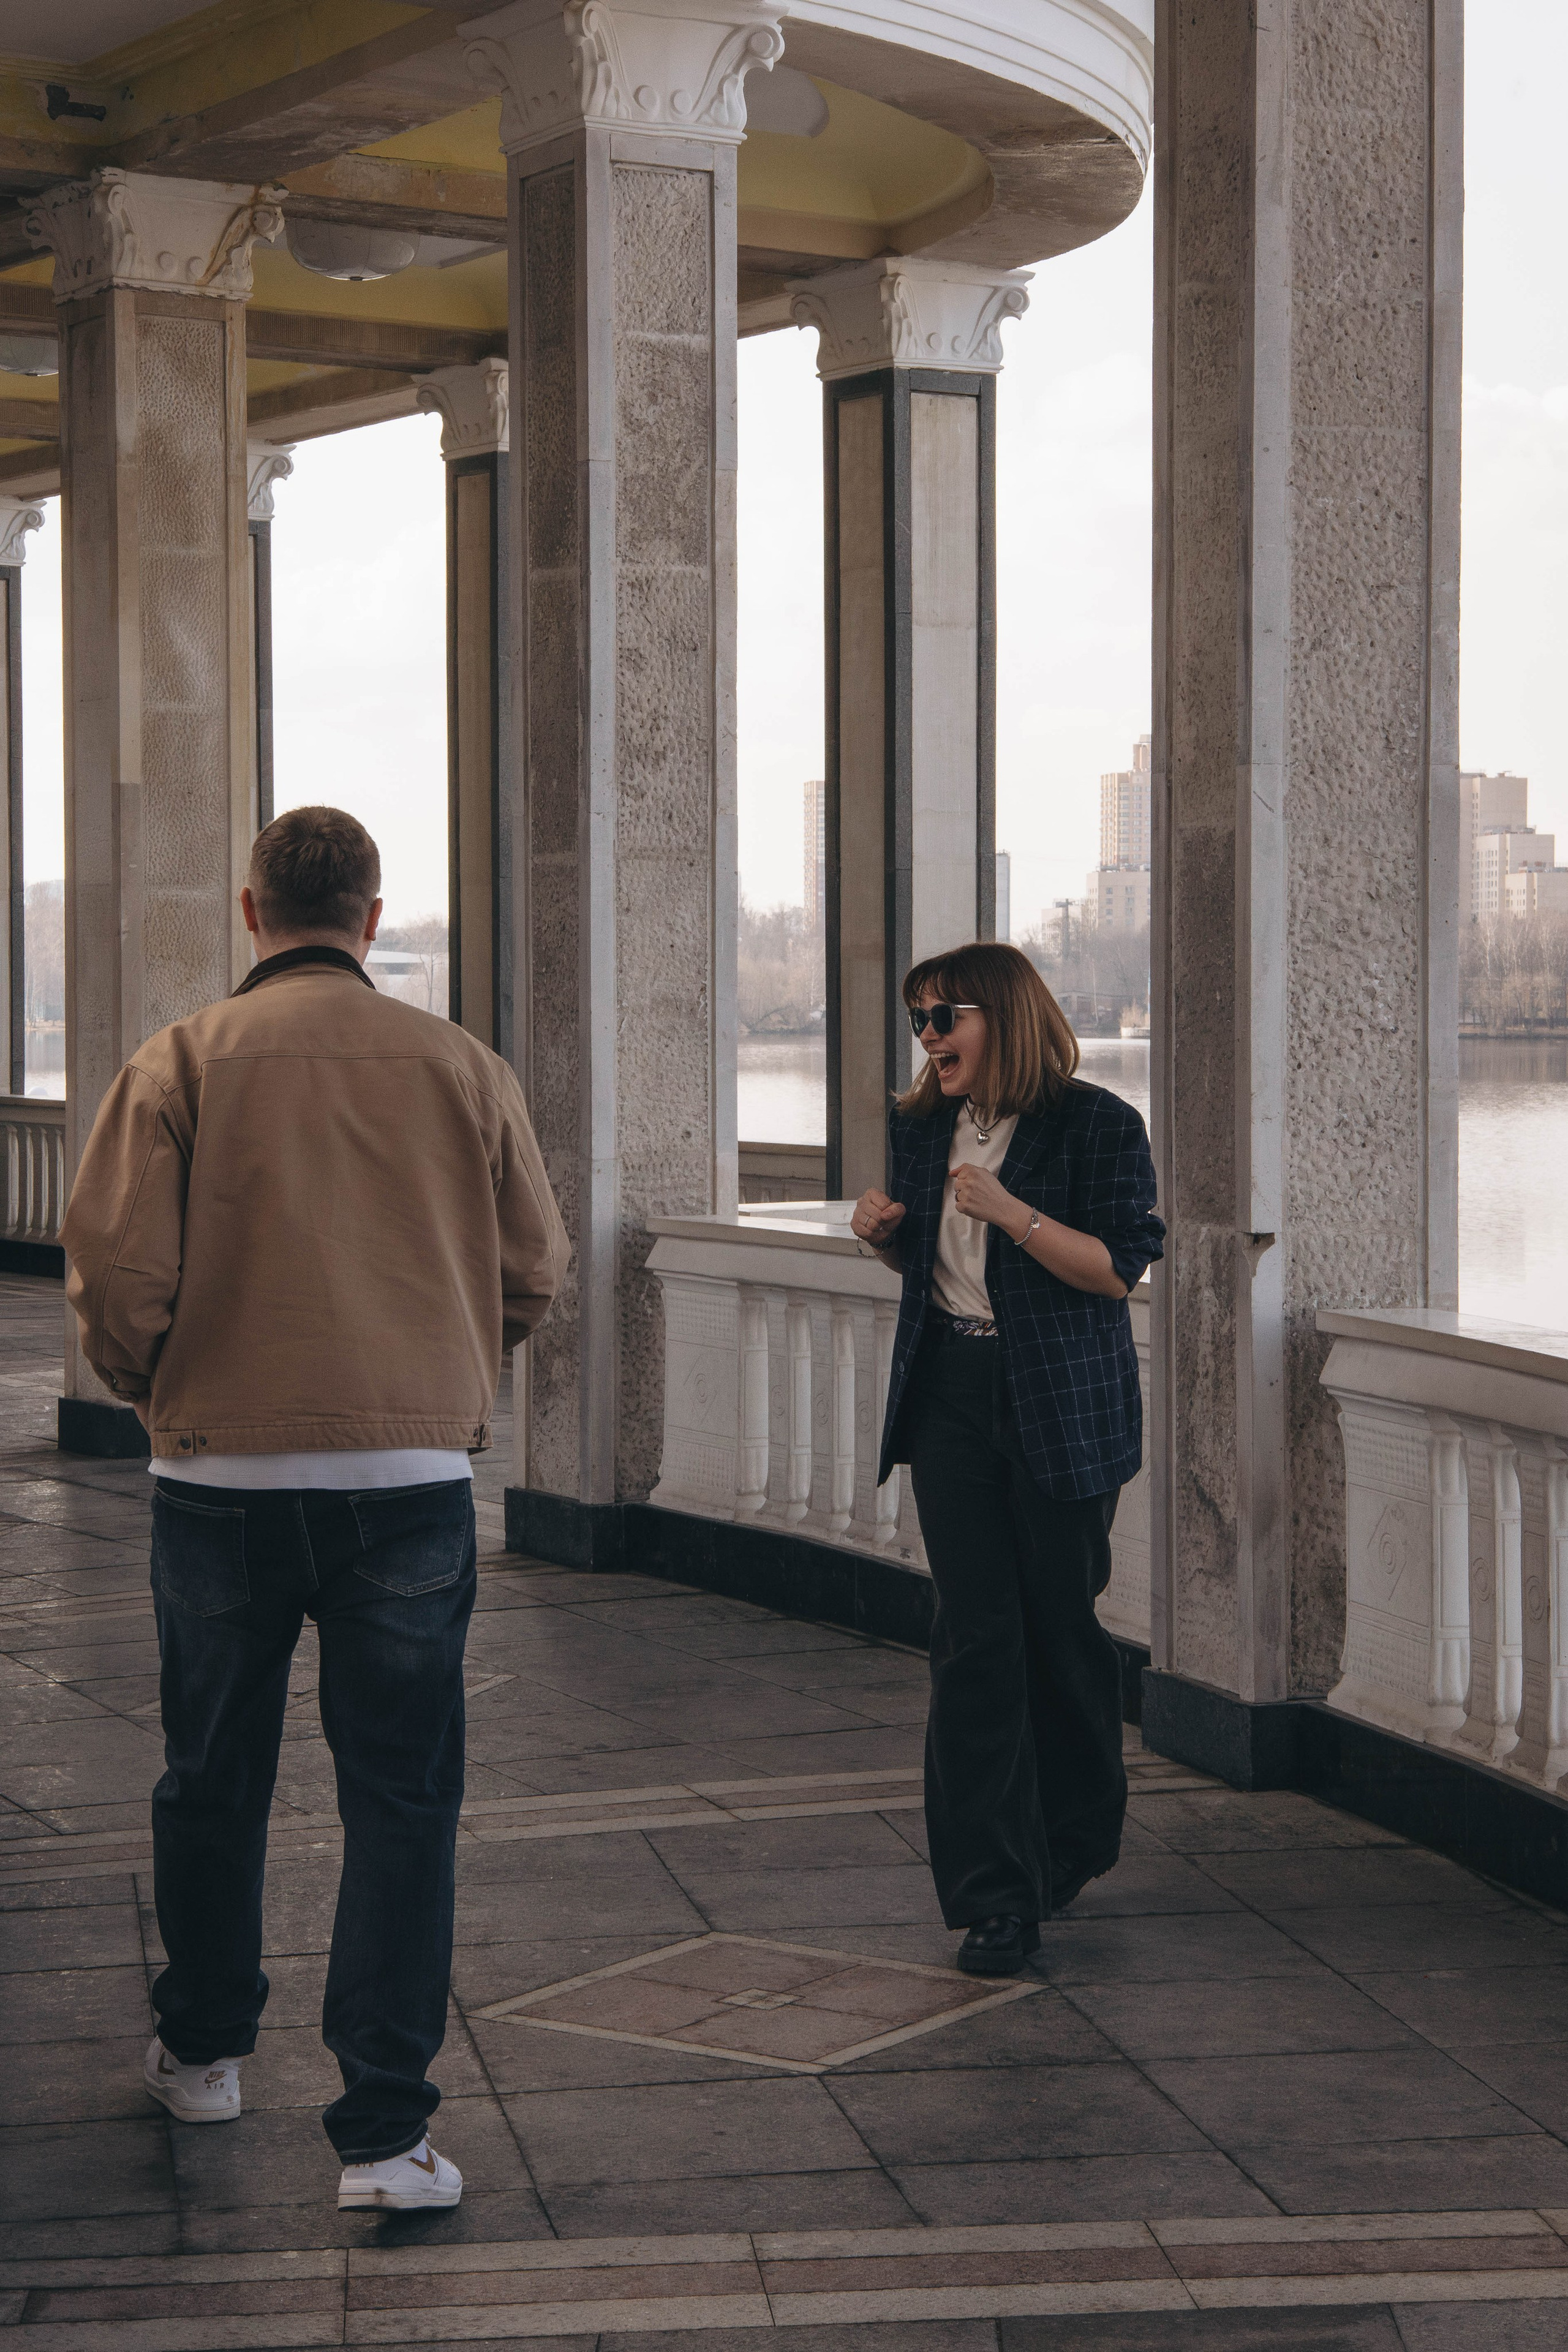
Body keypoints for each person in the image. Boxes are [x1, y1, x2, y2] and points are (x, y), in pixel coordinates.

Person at [61, 807, 569, 2211]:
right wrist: (439, 1374)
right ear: (371, 913)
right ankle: (388, 2140)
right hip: (407, 1483)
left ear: (250, 911)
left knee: (210, 1774)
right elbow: (533, 1267)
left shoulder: (180, 1062)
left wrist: (163, 1389)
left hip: (217, 1475)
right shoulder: (461, 1066)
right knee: (402, 1801)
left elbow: (114, 1274)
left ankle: (207, 2052)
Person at [851, 941, 1164, 1976]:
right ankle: (994, 1895)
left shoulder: (1100, 1125)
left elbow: (1119, 1270)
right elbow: (933, 1263)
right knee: (974, 1638)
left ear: (1005, 1018)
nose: (930, 1038)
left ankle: (1069, 1840)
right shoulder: (919, 1127)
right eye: (920, 1021)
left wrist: (1013, 1213)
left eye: (948, 1018)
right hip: (951, 1394)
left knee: (1060, 1630)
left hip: (1060, 1404)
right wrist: (887, 1235)